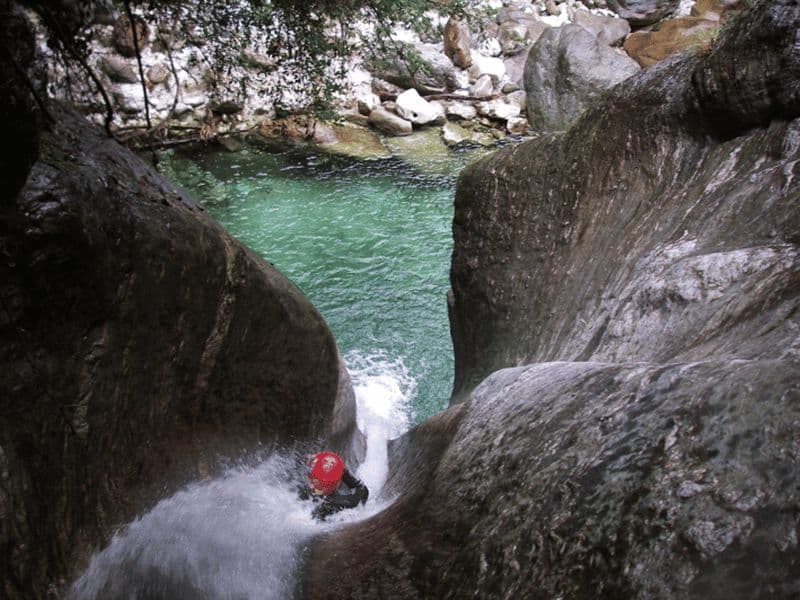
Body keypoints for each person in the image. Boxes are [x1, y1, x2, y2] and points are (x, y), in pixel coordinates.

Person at [299, 450, 369, 521]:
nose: (310, 483)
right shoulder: (351, 500)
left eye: (313, 480)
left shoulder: (323, 508)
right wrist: (340, 471)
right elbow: (362, 489)